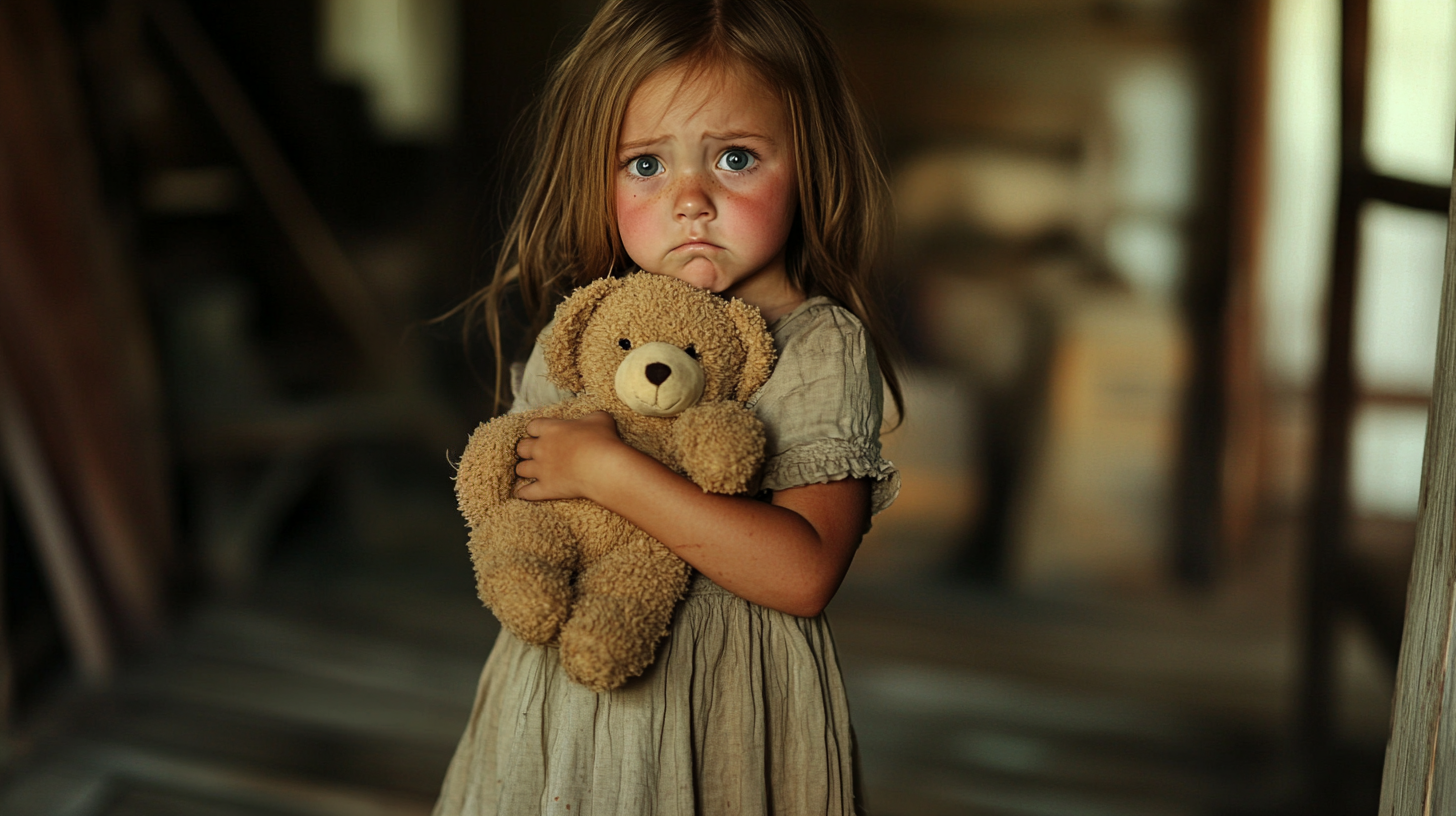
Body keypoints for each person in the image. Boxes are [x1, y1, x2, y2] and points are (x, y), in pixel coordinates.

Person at [434, 0, 903, 813]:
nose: (691, 199)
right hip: (563, 712)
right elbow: (521, 505)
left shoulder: (817, 346)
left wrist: (611, 471)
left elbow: (802, 574)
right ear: (601, 174)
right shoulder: (582, 334)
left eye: (735, 158)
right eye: (646, 165)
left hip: (727, 717)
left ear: (809, 162)